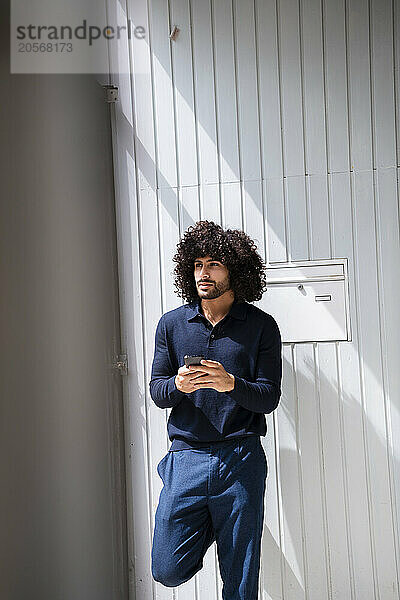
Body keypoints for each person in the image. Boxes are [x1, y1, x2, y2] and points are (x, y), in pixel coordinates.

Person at [149, 220, 282, 600]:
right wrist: (178, 385)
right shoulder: (172, 325)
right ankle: (211, 520)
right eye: (197, 265)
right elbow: (158, 391)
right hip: (187, 456)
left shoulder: (261, 327)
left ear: (236, 271)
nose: (203, 274)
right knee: (166, 568)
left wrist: (231, 385)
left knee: (241, 575)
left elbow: (268, 397)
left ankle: (224, 520)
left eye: (214, 265)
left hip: (241, 457)